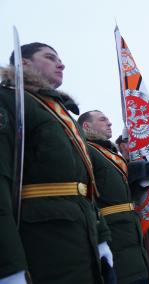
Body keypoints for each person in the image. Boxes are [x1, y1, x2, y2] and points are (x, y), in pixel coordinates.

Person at [0, 43, 109, 283]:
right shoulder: (8, 100)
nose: (61, 64)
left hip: (82, 238)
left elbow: (87, 184)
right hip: (44, 244)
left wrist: (100, 236)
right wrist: (8, 265)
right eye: (50, 58)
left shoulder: (62, 115)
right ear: (24, 63)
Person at [78, 110, 149, 284]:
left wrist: (139, 183)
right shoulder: (87, 150)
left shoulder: (110, 154)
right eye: (103, 119)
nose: (109, 123)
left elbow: (119, 194)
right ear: (86, 126)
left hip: (129, 228)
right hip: (113, 230)